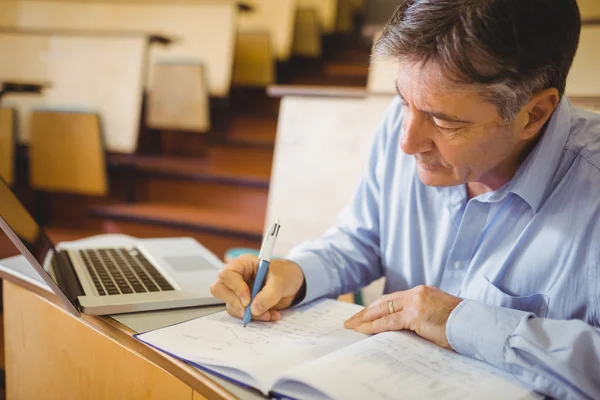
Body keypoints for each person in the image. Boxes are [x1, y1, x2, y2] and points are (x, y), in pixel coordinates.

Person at [211, 0, 600, 398]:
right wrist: (296, 273)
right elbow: (364, 239)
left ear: (533, 114)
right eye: (402, 101)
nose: (407, 142)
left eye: (445, 121)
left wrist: (460, 321)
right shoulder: (409, 122)